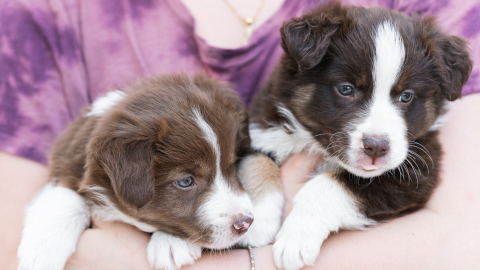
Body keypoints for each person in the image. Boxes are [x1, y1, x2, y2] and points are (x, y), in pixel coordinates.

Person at [1, 0, 479, 269]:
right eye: (349, 90)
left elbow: (461, 241)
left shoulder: (433, 14)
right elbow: (14, 243)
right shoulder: (47, 13)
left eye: (405, 98)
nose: (378, 133)